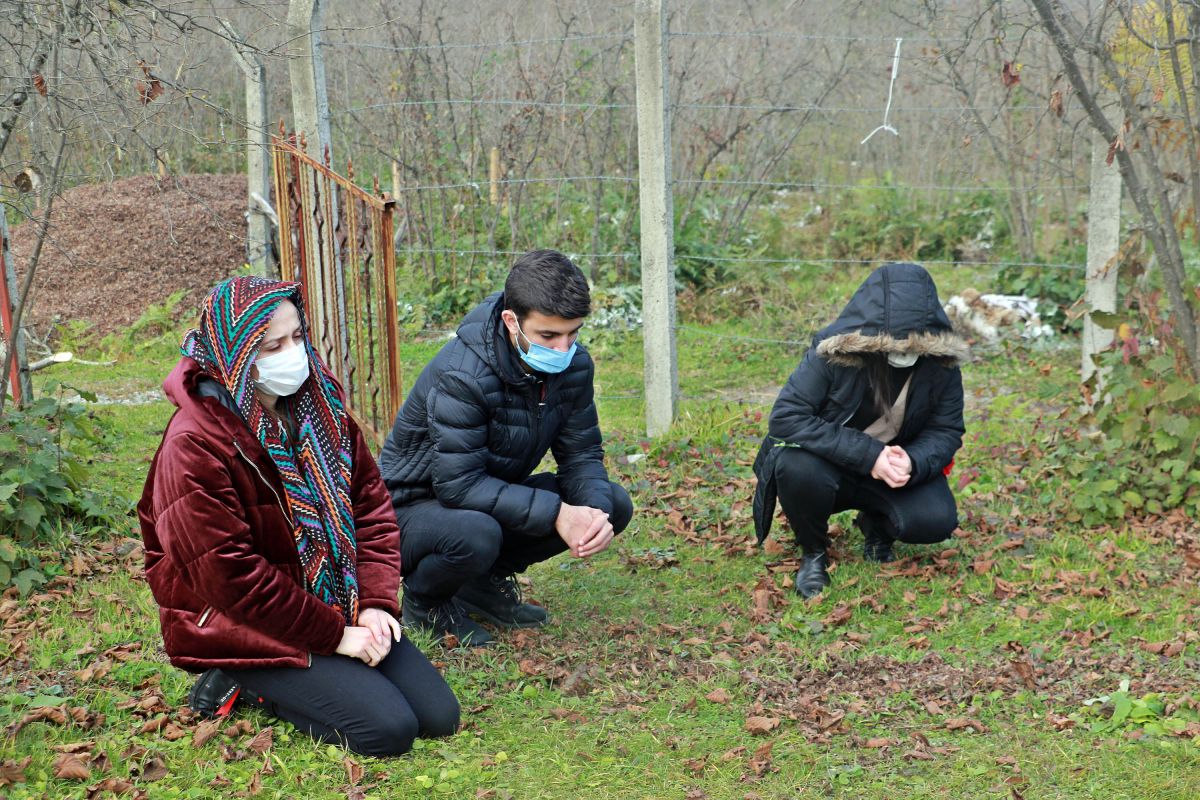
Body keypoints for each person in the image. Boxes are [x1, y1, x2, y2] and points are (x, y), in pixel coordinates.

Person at [137, 276, 459, 756]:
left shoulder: (319, 406)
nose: (294, 355)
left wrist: (374, 603)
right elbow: (231, 580)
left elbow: (370, 508)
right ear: (234, 355)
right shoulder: (194, 444)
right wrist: (337, 638)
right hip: (244, 623)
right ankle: (243, 678)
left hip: (335, 600)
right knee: (388, 731)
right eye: (272, 347)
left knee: (438, 717)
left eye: (297, 338)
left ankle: (326, 661)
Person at [378, 250, 634, 646]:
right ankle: (426, 601)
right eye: (548, 336)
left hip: (483, 496)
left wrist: (592, 514)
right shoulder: (463, 375)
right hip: (411, 510)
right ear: (511, 321)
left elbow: (581, 453)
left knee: (612, 503)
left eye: (573, 333)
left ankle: (480, 584)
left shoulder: (574, 365)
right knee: (476, 533)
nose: (564, 348)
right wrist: (558, 513)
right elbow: (458, 486)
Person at [752, 262, 969, 598]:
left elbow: (946, 429)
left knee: (935, 520)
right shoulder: (834, 353)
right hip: (829, 465)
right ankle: (813, 554)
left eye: (913, 344)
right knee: (795, 466)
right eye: (895, 343)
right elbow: (786, 417)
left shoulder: (940, 364)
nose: (903, 351)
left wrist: (912, 461)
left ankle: (878, 528)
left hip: (893, 469)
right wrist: (870, 456)